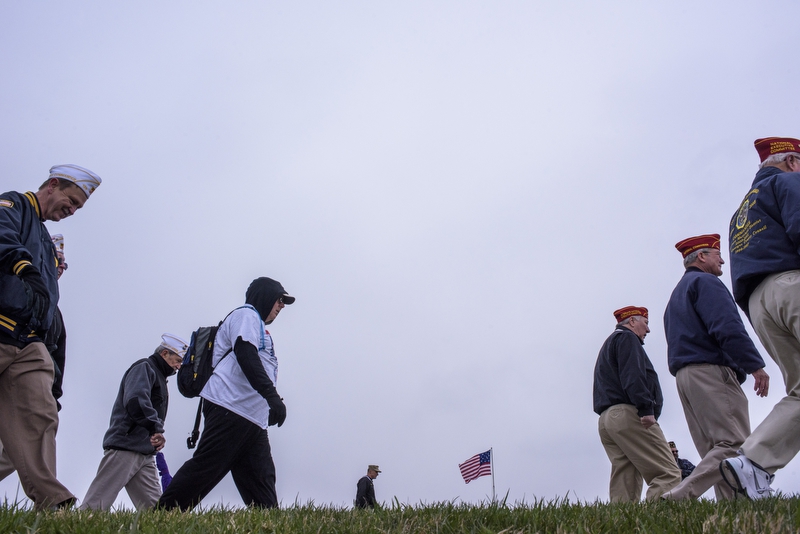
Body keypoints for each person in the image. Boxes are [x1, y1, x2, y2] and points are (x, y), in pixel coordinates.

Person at [0, 164, 101, 509]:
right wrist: (22, 265)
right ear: (53, 185)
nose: (71, 211)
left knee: (42, 417)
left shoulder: (44, 239)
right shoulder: (12, 206)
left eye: (76, 209)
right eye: (71, 201)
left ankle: (53, 503)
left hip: (27, 344)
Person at [158, 277, 295, 510]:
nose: (281, 306)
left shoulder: (258, 327)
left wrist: (269, 402)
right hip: (230, 408)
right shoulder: (246, 315)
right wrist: (271, 397)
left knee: (261, 481)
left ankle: (268, 523)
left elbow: (257, 365)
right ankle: (163, 514)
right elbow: (246, 356)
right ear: (264, 296)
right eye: (280, 299)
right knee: (205, 469)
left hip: (252, 418)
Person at [661, 234, 769, 501]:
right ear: (701, 257)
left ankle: (732, 508)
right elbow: (727, 327)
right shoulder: (707, 282)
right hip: (710, 371)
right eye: (717, 254)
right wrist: (754, 365)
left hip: (685, 377)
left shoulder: (676, 295)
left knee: (714, 448)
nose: (722, 259)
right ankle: (681, 495)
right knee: (734, 444)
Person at [722, 137, 800, 499]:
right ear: (793, 163)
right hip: (792, 285)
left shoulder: (739, 214)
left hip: (759, 304)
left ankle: (752, 463)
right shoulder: (789, 182)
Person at [80, 334, 187, 510]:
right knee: (94, 506)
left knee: (156, 515)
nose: (178, 366)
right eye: (176, 360)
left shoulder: (158, 374)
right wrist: (155, 428)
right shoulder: (144, 367)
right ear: (164, 353)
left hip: (145, 453)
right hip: (126, 448)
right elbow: (136, 401)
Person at [0, 234, 71, 482]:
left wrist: (53, 396)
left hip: (25, 389)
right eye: (57, 260)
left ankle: (51, 504)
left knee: (16, 450)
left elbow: (55, 359)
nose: (61, 267)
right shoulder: (8, 287)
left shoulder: (54, 313)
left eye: (64, 263)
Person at [593, 306, 681, 502]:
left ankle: (623, 523)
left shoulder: (611, 343)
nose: (648, 330)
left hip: (607, 420)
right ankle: (660, 522)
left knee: (626, 477)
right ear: (632, 322)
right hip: (628, 414)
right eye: (646, 323)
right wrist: (646, 408)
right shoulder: (627, 338)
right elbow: (633, 375)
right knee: (667, 473)